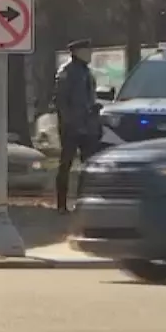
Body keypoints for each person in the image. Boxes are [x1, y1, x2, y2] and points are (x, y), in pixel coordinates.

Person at [53, 38, 103, 213]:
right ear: (76, 52)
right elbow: (61, 101)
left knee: (88, 166)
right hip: (72, 127)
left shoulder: (86, 72)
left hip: (87, 125)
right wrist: (69, 122)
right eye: (86, 51)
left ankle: (84, 202)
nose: (89, 54)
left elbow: (87, 97)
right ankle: (61, 205)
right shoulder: (67, 72)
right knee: (65, 164)